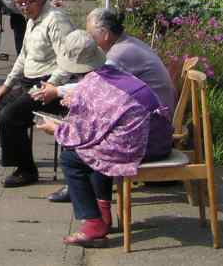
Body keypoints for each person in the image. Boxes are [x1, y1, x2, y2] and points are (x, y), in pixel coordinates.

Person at [36, 29, 173, 248]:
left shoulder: (90, 87)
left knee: (73, 158)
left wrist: (55, 129)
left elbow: (80, 134)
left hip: (143, 148)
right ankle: (102, 214)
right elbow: (112, 109)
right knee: (97, 149)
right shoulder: (114, 72)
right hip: (161, 137)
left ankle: (93, 224)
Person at [0, 0, 76, 188]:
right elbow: (23, 56)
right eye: (18, 3)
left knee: (10, 114)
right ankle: (14, 156)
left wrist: (52, 86)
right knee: (3, 99)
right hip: (30, 82)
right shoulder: (31, 19)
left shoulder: (55, 20)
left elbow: (69, 60)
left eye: (27, 1)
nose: (23, 7)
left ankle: (27, 171)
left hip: (49, 86)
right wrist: (8, 83)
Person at [86, 8, 177, 113]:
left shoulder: (119, 53)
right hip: (161, 107)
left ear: (105, 34)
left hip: (157, 117)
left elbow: (96, 87)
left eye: (91, 36)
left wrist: (63, 90)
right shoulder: (128, 43)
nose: (90, 40)